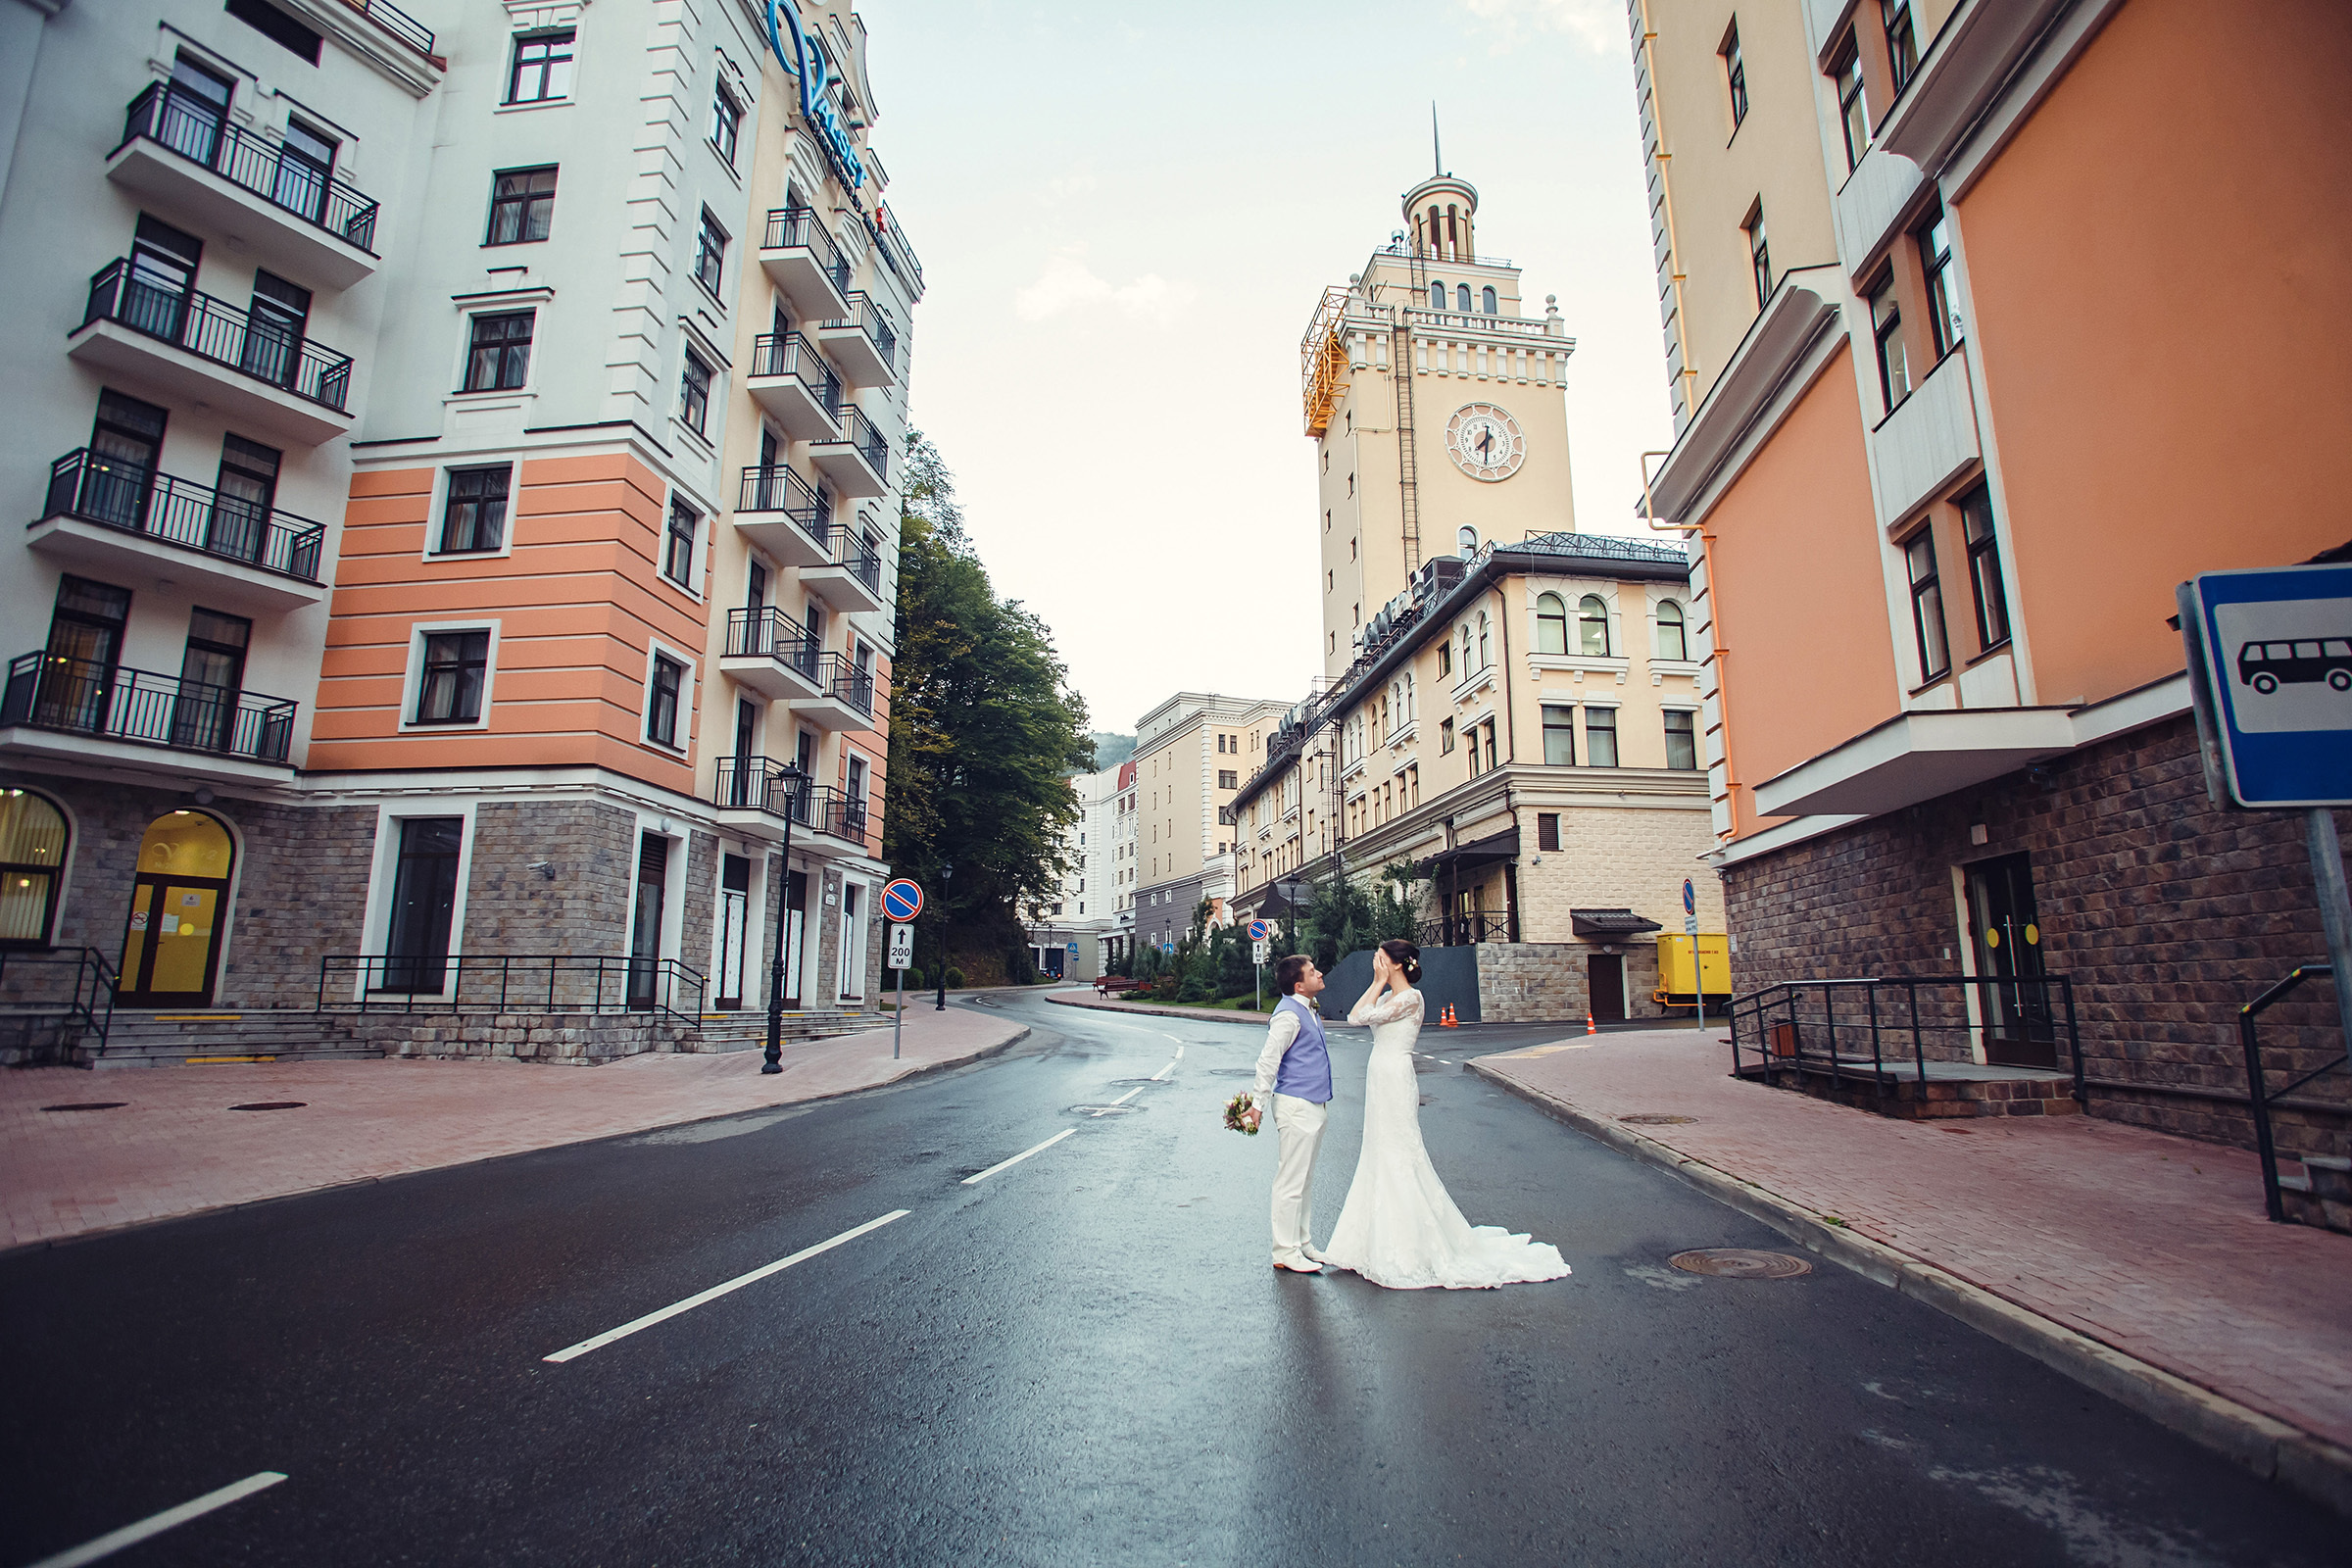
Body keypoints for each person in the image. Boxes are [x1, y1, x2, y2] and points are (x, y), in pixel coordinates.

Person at [1320, 939, 1571, 1290]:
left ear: (1395, 964)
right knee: (1377, 1150)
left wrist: (1377, 983)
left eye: (1380, 959)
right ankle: (1366, 1241)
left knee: (1400, 1152)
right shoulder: (1391, 997)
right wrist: (1378, 985)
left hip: (1395, 1075)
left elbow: (1360, 1018)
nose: (1375, 963)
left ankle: (1409, 1243)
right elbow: (1351, 1016)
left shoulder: (1410, 999)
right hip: (1379, 1074)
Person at [1250, 954, 1333, 1274]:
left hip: (1313, 1104)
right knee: (1290, 1181)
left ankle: (1302, 1242)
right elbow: (1268, 1060)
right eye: (1313, 972)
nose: (1320, 973)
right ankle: (1285, 1250)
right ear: (1299, 984)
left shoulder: (1306, 1009)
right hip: (1296, 1106)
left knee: (1305, 1180)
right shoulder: (1288, 1016)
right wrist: (1257, 1105)